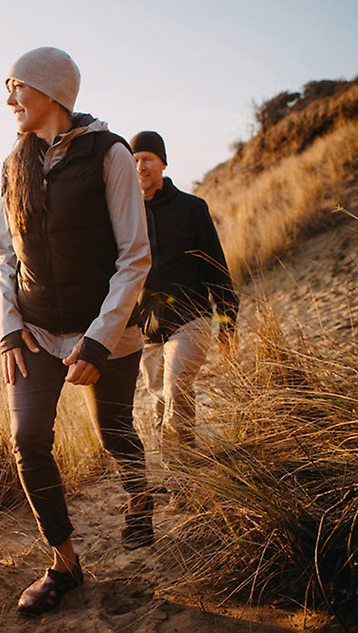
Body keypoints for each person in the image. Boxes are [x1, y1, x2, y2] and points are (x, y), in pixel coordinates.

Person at [0, 47, 152, 617]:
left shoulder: (110, 154)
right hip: (36, 332)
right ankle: (64, 563)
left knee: (113, 431)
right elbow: (4, 256)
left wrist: (98, 339)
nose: (8, 99)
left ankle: (139, 498)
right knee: (28, 439)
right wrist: (9, 330)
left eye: (17, 87)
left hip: (103, 330)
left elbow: (135, 257)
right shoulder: (13, 165)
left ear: (52, 92)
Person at [129, 131, 238, 471]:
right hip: (148, 329)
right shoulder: (126, 215)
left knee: (176, 389)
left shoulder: (191, 208)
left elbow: (215, 267)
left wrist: (228, 322)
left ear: (163, 162)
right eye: (134, 160)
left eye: (147, 158)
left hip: (192, 319)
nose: (140, 166)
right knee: (160, 401)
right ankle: (182, 465)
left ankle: (182, 476)